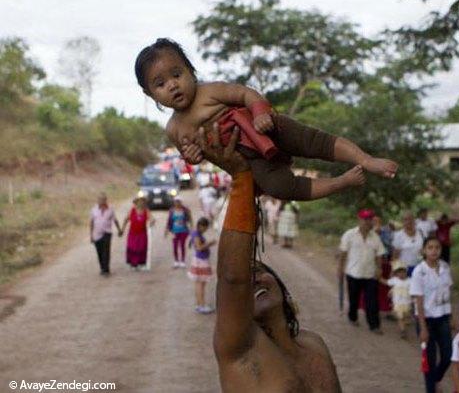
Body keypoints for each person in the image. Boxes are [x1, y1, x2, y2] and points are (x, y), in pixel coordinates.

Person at [134, 38, 398, 202]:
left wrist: (260, 112)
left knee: (313, 141)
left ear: (191, 71)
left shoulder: (210, 91)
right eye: (160, 83)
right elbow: (193, 155)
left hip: (266, 128)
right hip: (249, 158)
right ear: (149, 94)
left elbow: (246, 93)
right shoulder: (174, 128)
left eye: (177, 74)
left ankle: (365, 159)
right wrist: (192, 155)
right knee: (280, 187)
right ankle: (342, 182)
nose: (172, 85)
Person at [194, 123, 342, 392]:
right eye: (246, 280)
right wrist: (242, 179)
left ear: (283, 289)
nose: (253, 282)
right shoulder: (241, 351)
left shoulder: (314, 345)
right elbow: (232, 278)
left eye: (259, 273)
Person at [410, 236, 454, 393]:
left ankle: (436, 379)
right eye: (430, 247)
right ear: (424, 251)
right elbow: (419, 300)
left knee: (448, 354)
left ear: (441, 250)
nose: (434, 251)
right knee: (429, 360)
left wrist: (451, 317)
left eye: (437, 248)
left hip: (442, 317)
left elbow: (448, 292)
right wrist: (422, 328)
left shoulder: (445, 267)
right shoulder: (419, 272)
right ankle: (430, 388)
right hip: (426, 320)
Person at [338, 209, 385, 334]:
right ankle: (352, 317)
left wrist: (379, 269)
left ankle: (374, 325)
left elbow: (379, 255)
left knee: (372, 301)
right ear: (359, 220)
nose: (367, 222)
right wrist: (340, 270)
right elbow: (343, 253)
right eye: (365, 219)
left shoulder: (375, 237)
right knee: (354, 300)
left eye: (370, 219)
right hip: (353, 273)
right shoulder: (349, 234)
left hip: (370, 274)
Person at [187, 217, 216, 314]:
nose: (206, 230)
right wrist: (209, 243)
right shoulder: (196, 234)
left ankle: (199, 304)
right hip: (201, 261)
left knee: (198, 284)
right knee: (201, 284)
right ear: (201, 226)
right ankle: (202, 305)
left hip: (200, 260)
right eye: (205, 227)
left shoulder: (197, 233)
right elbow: (199, 247)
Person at [89, 192, 122, 276]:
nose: (101, 201)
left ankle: (106, 269)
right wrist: (91, 235)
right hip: (97, 234)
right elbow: (91, 222)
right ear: (97, 200)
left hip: (107, 233)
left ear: (106, 200)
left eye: (103, 199)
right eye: (100, 199)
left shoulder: (110, 209)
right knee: (99, 252)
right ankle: (102, 267)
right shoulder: (94, 210)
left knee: (106, 251)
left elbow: (115, 220)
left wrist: (119, 230)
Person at [379, 260, 412, 339]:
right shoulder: (394, 280)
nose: (401, 274)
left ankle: (405, 322)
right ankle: (403, 331)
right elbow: (386, 282)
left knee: (406, 316)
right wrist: (379, 278)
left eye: (402, 272)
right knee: (400, 317)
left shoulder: (410, 281)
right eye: (398, 272)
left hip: (407, 303)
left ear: (406, 271)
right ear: (396, 273)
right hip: (397, 304)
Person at [122, 194, 155, 270]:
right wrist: (123, 229)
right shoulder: (132, 210)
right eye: (139, 202)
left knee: (141, 248)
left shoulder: (146, 211)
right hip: (133, 233)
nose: (141, 203)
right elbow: (126, 219)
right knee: (132, 247)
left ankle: (140, 263)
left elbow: (152, 219)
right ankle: (133, 263)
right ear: (136, 203)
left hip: (142, 234)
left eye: (142, 202)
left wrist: (151, 222)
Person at [392, 211, 424, 276]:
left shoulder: (420, 233)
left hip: (419, 267)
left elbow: (424, 249)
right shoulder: (398, 235)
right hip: (404, 270)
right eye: (405, 219)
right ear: (403, 222)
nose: (408, 221)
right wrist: (393, 272)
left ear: (414, 220)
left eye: (410, 219)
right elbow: (395, 256)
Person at [166, 198, 192, 268]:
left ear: (181, 202)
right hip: (174, 231)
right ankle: (176, 261)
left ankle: (183, 261)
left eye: (178, 202)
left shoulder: (185, 210)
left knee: (182, 245)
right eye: (176, 202)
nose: (177, 203)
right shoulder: (172, 211)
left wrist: (191, 228)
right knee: (175, 246)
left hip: (183, 231)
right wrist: (167, 230)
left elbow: (190, 219)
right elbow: (169, 221)